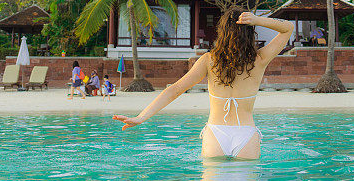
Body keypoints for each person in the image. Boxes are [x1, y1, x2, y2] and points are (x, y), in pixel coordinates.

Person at [113, 11, 293, 159]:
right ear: (249, 32)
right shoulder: (259, 60)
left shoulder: (209, 61)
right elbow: (288, 28)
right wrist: (257, 20)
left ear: (222, 32)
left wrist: (141, 117)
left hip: (216, 133)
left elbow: (175, 89)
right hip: (246, 133)